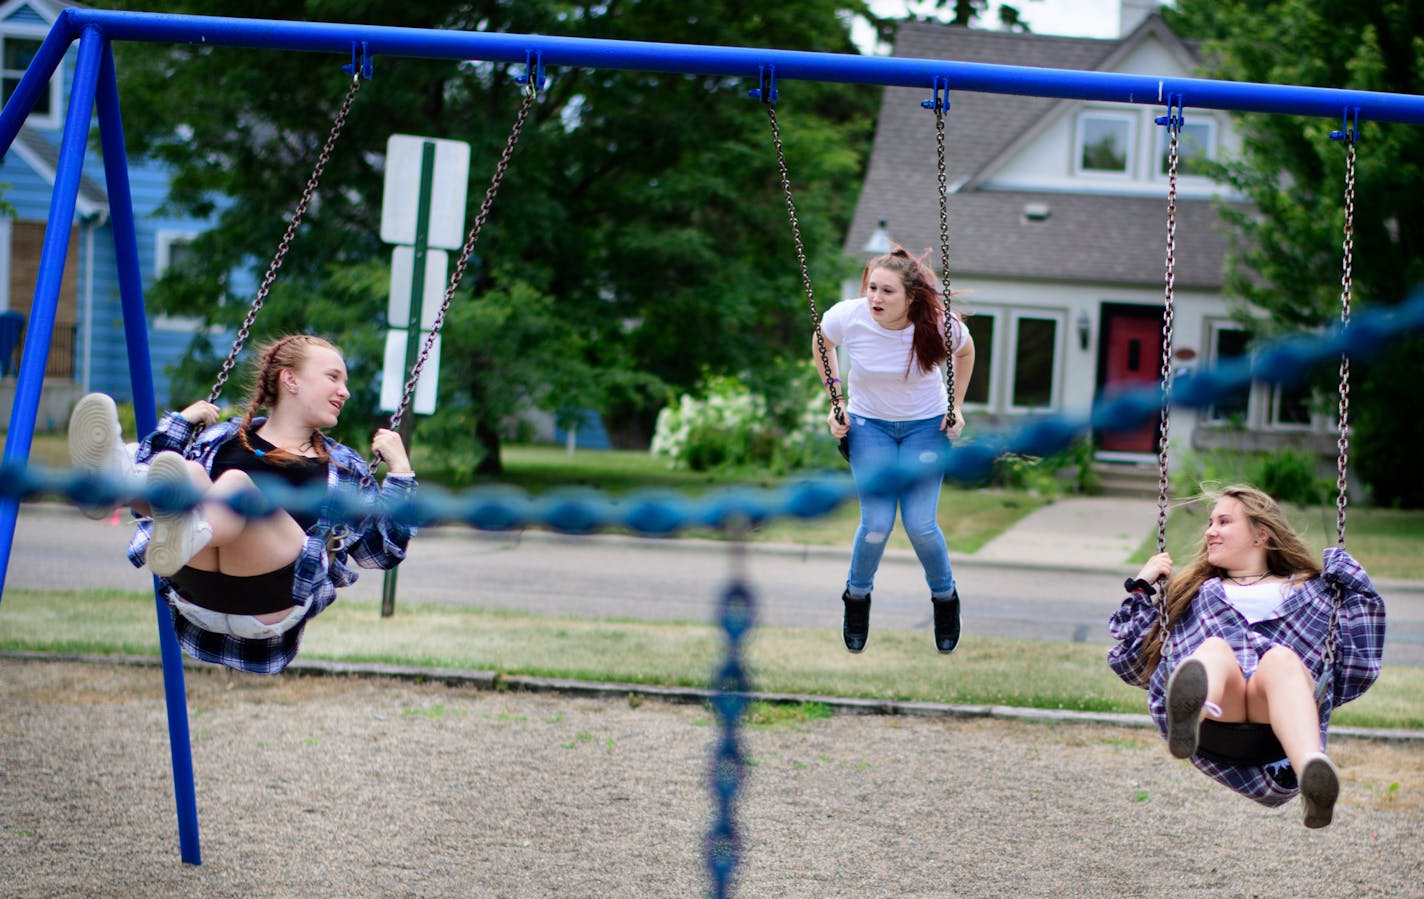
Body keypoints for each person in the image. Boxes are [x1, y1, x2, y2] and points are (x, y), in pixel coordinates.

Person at [67, 334, 417, 675]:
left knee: (236, 484)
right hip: (196, 589)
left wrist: (400, 472)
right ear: (290, 379)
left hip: (272, 596)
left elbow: (380, 552)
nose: (346, 391)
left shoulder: (343, 467)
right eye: (333, 377)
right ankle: (113, 484)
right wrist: (182, 424)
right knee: (187, 471)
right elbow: (161, 471)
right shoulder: (223, 438)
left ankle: (188, 525)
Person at [1107, 485, 1386, 828]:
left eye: (1223, 522)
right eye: (1210, 522)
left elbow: (1360, 657)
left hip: (1278, 723)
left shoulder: (1313, 591)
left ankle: (1312, 775)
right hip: (1220, 716)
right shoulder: (1198, 591)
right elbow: (1133, 658)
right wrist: (1142, 584)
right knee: (1214, 651)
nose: (1210, 531)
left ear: (1260, 535)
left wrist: (1352, 580)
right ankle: (1189, 717)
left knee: (1281, 659)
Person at [815, 246, 975, 654]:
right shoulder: (848, 316)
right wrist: (836, 401)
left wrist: (956, 407)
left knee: (921, 524)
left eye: (887, 291)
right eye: (871, 287)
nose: (875, 298)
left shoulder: (939, 325)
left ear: (911, 298)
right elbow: (822, 343)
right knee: (876, 524)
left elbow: (966, 351)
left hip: (925, 428)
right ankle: (856, 597)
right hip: (869, 428)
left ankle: (945, 599)